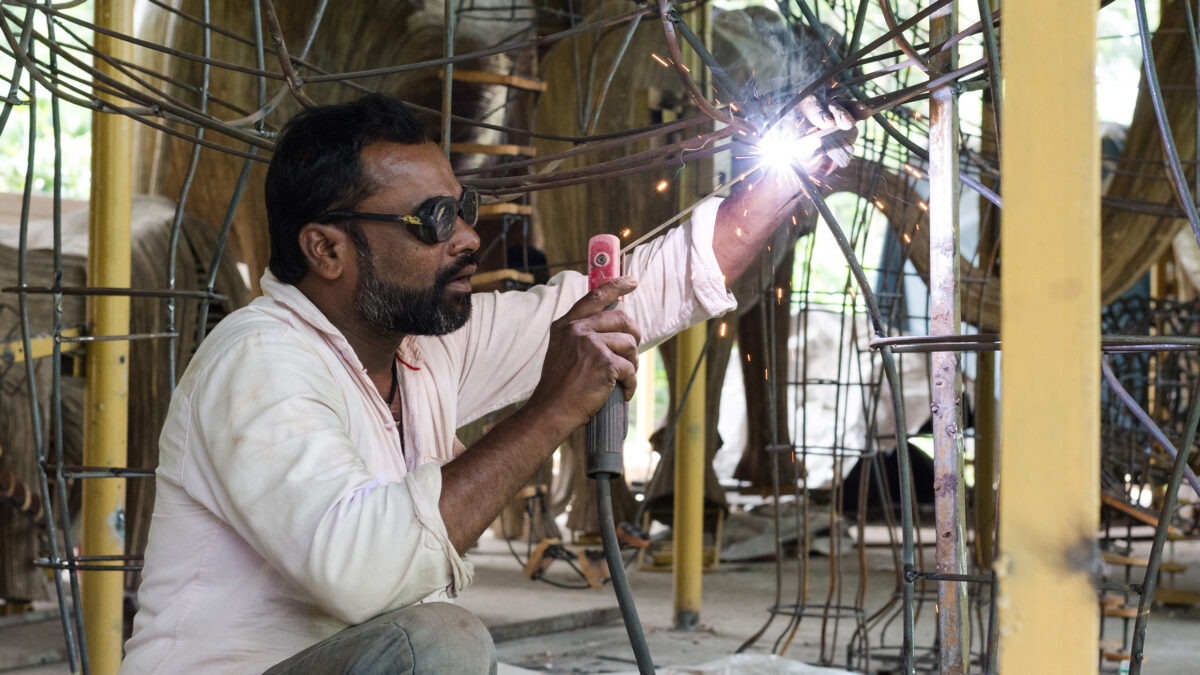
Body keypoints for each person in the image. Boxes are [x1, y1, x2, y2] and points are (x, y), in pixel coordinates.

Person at [120, 93, 854, 673]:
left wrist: (777, 184)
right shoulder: (257, 361)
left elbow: (637, 294)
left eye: (461, 208)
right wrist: (550, 412)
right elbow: (364, 575)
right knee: (442, 646)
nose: (468, 236)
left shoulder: (419, 349)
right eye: (433, 219)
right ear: (327, 248)